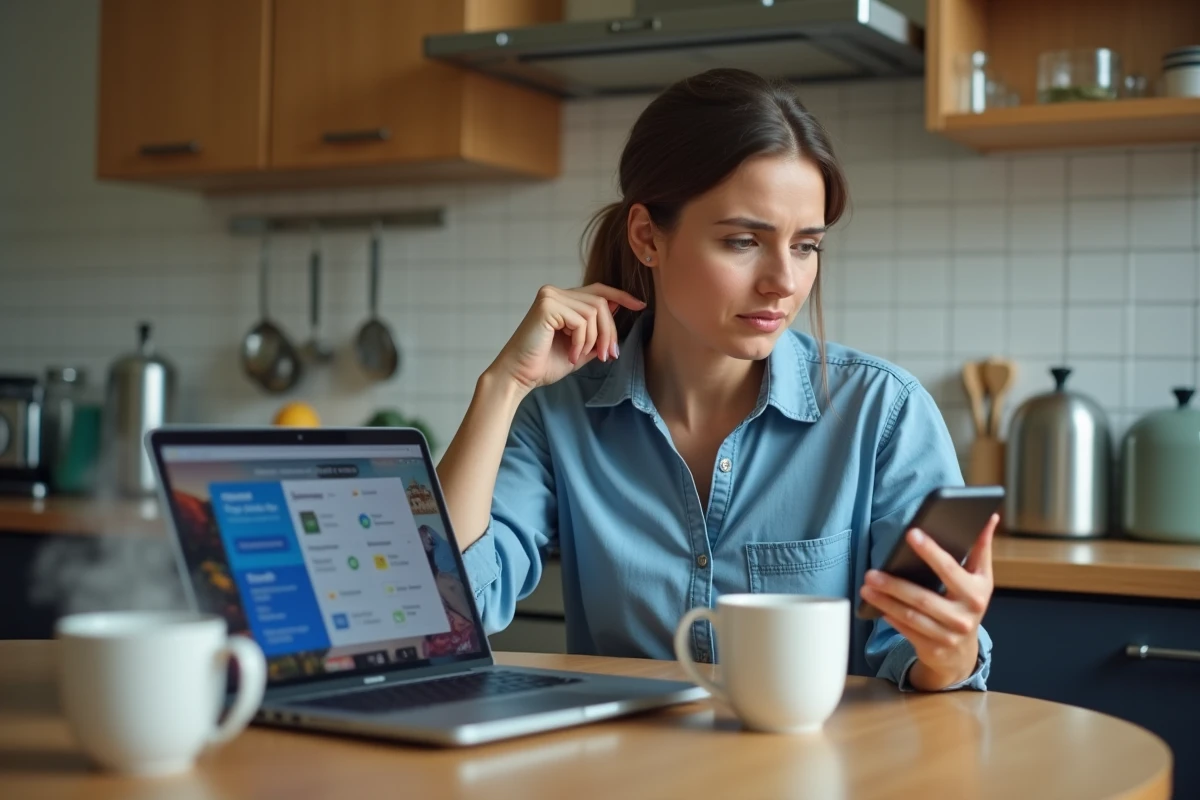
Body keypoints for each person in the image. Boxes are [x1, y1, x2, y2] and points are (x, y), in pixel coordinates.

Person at [437, 68, 996, 692]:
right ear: (648, 237)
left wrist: (951, 649)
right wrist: (503, 385)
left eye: (806, 246)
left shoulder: (884, 415)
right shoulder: (560, 417)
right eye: (741, 241)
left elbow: (927, 666)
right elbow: (442, 616)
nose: (783, 281)